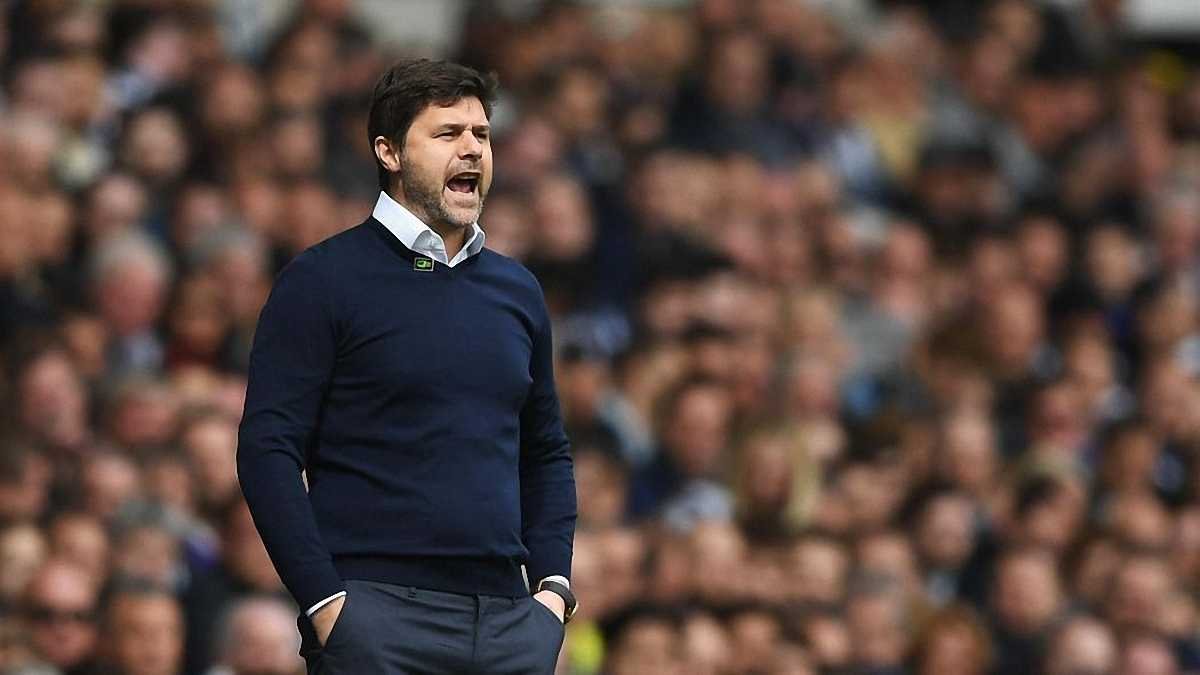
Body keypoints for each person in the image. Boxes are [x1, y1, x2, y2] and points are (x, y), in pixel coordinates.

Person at [236, 58, 578, 674]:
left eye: (481, 134)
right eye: (447, 134)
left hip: (509, 621)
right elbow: (268, 449)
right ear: (389, 152)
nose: (472, 149)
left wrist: (552, 591)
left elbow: (546, 450)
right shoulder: (321, 280)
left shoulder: (518, 290)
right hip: (376, 616)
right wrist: (325, 601)